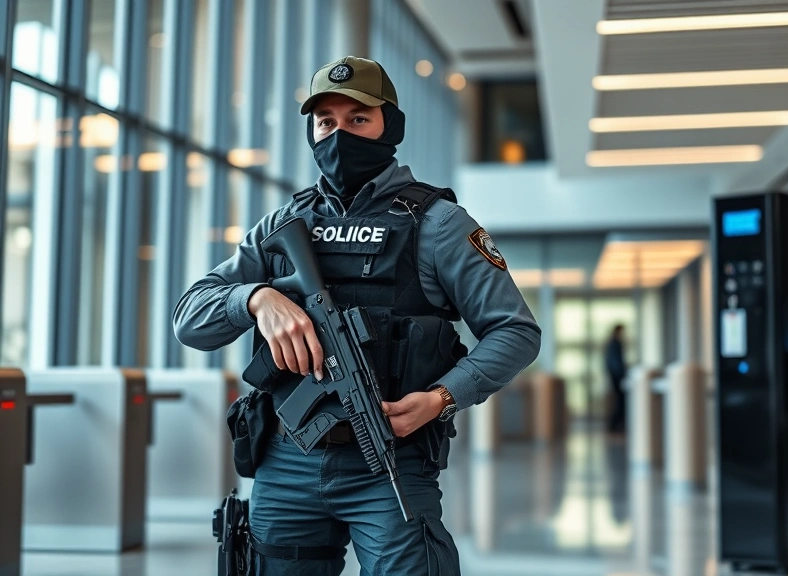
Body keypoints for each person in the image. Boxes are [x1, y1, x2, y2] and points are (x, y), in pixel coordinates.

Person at [173, 56, 541, 576]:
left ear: (391, 125)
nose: (339, 134)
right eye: (326, 122)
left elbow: (515, 331)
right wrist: (255, 298)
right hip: (285, 460)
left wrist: (442, 398)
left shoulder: (438, 224)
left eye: (358, 119)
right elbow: (190, 318)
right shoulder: (285, 223)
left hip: (390, 458)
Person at [605, 324, 627, 433]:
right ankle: (614, 425)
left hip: (616, 376)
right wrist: (621, 375)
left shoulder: (613, 343)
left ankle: (615, 425)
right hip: (617, 377)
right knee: (620, 401)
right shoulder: (615, 344)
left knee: (620, 401)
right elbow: (615, 363)